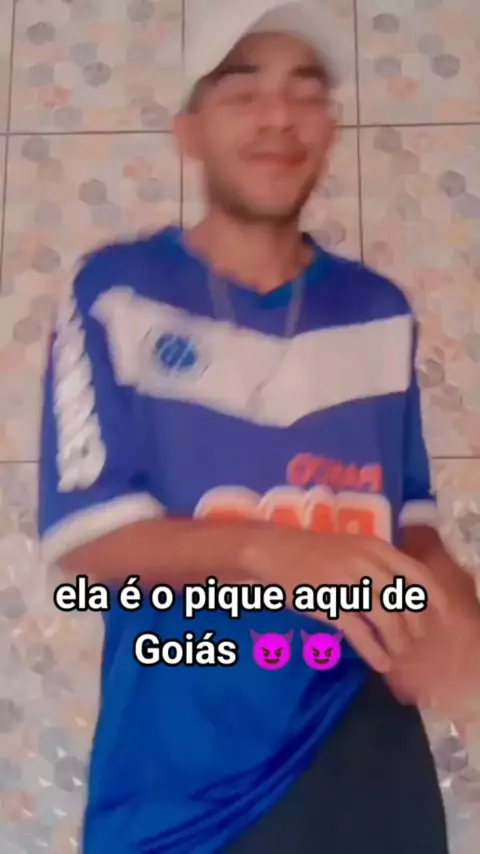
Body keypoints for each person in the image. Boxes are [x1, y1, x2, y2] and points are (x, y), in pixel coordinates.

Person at [38, 1, 480, 852]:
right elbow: (85, 534)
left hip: (361, 750)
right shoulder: (115, 293)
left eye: (305, 91)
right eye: (243, 90)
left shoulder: (378, 310)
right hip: (181, 787)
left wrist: (450, 597)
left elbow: (408, 518)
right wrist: (271, 551)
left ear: (329, 127)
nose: (280, 115)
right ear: (190, 131)